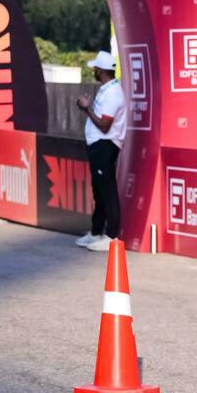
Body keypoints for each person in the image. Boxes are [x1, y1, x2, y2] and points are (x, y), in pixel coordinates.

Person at [75, 50, 127, 252]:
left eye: (96, 68)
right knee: (99, 190)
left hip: (106, 145)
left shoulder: (113, 93)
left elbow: (105, 125)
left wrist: (86, 109)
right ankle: (96, 232)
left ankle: (113, 236)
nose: (94, 71)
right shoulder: (107, 89)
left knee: (107, 190)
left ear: (101, 70)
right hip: (98, 146)